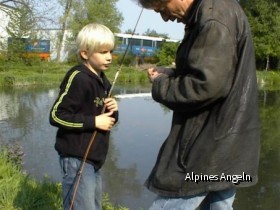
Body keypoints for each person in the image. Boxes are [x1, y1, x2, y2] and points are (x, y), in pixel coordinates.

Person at [135, 0, 260, 209]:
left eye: (161, 9)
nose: (165, 17)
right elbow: (214, 73)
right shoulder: (213, 10)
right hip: (228, 145)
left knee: (174, 200)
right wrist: (173, 73)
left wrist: (160, 85)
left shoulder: (213, 17)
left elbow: (205, 86)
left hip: (205, 148)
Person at [49, 23, 118, 210]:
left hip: (94, 159)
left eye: (110, 51)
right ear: (85, 54)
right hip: (76, 159)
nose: (109, 57)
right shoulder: (78, 77)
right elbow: (56, 115)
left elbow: (108, 121)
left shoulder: (104, 80)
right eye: (103, 52)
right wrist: (94, 121)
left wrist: (113, 109)